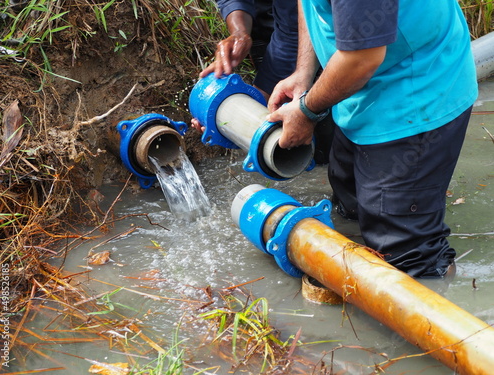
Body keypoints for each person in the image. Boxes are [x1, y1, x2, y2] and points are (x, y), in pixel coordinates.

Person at [266, 0, 478, 278]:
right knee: (350, 207)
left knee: (410, 260)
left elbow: (361, 58)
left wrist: (306, 110)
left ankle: (437, 303)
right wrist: (303, 73)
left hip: (416, 91)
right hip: (356, 85)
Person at [193, 0, 333, 163]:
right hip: (267, 24)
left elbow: (294, 28)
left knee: (325, 136)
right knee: (290, 121)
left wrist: (259, 98)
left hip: (315, 29)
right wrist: (239, 32)